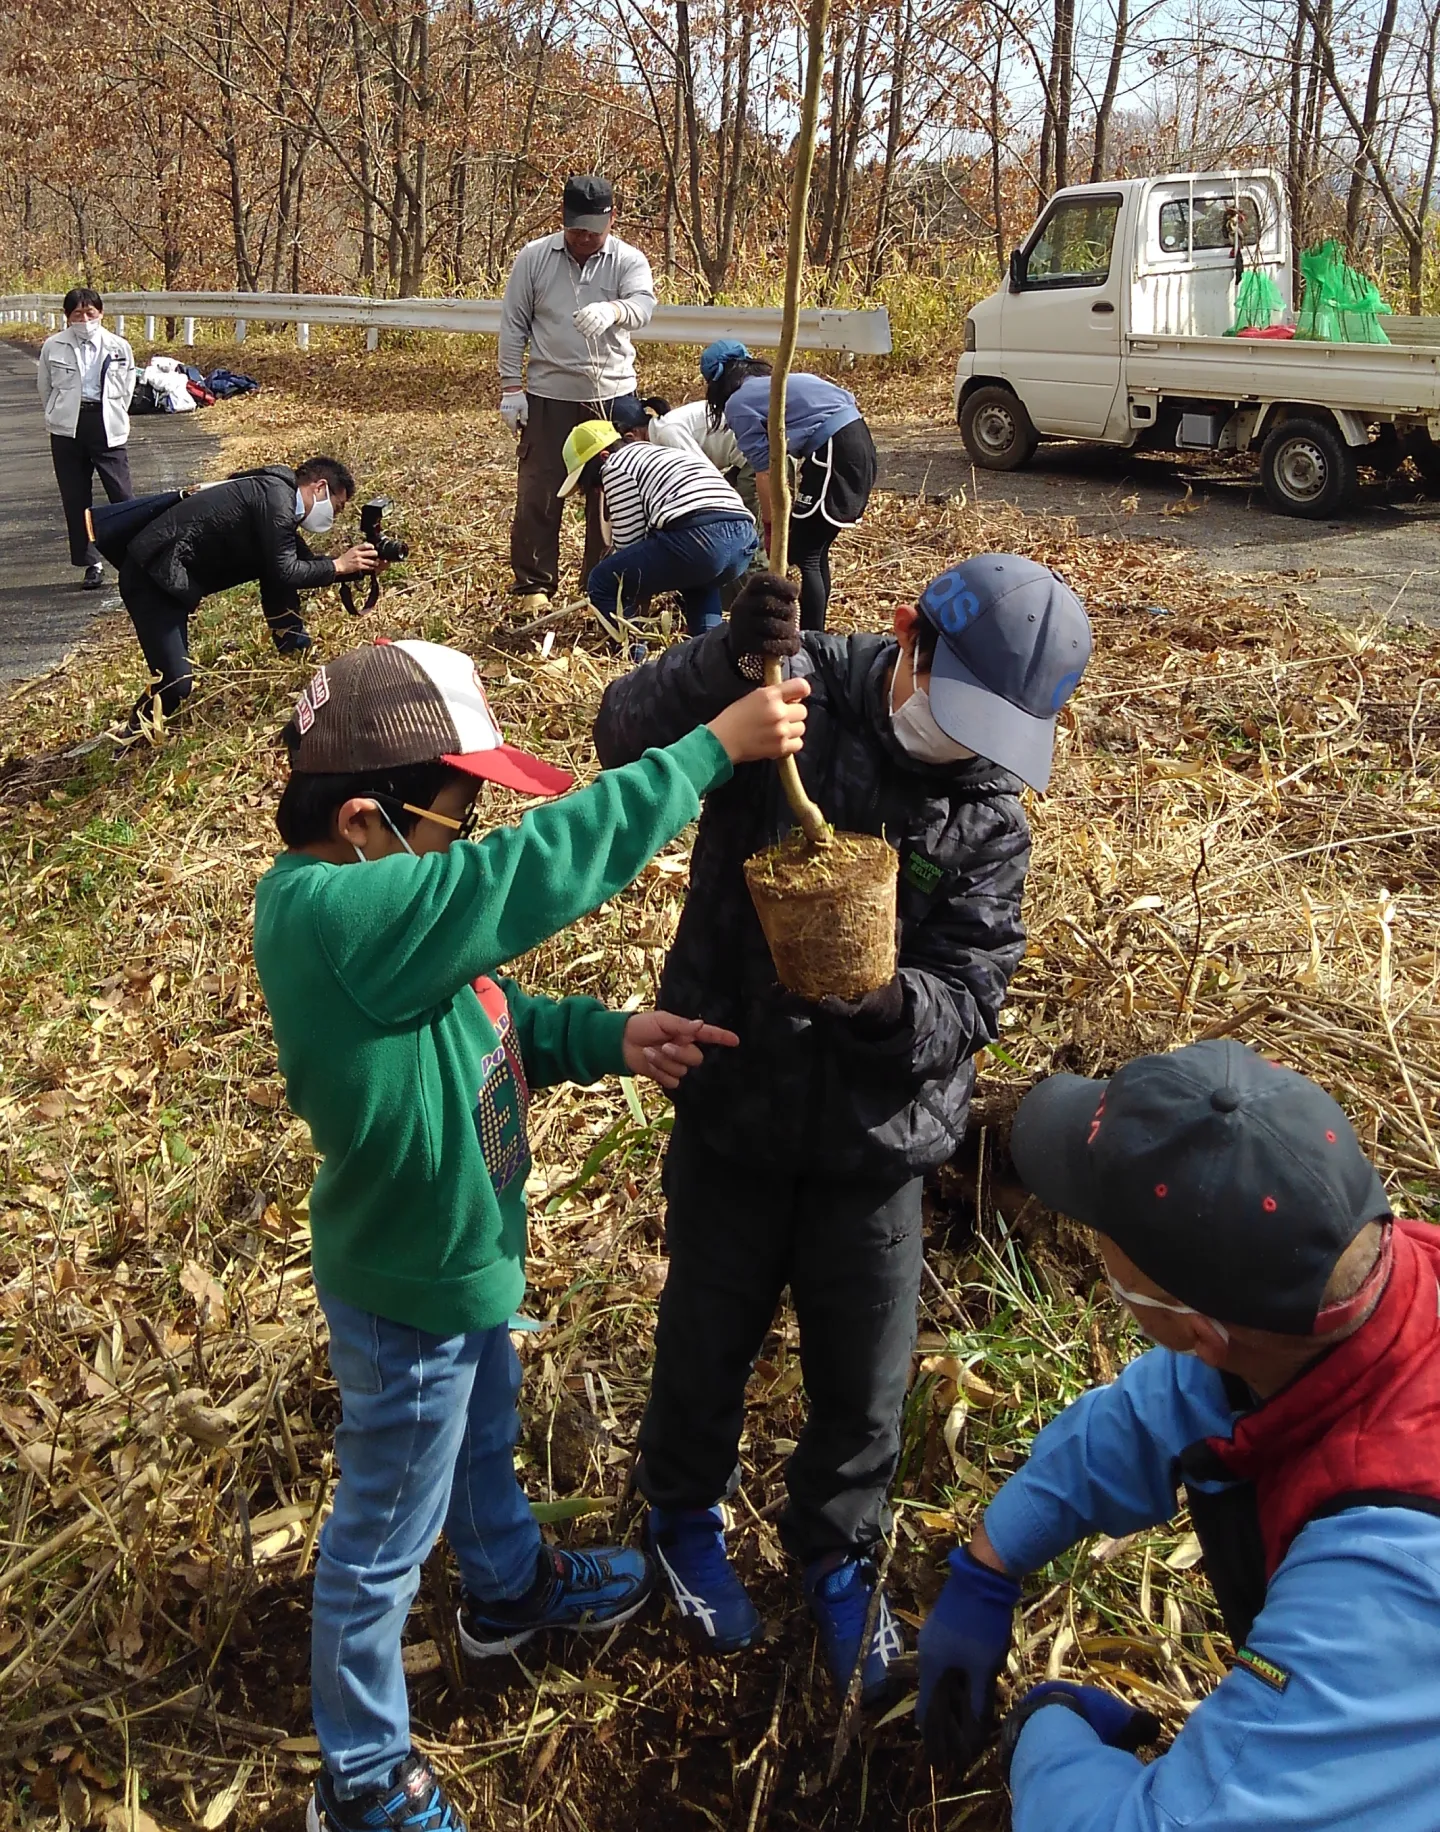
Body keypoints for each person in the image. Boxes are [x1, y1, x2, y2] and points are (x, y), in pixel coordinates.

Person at [252, 634, 808, 1832]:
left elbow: (486, 1014)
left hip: (462, 1275)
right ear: (364, 818)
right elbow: (530, 876)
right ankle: (361, 1777)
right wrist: (706, 751)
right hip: (411, 1291)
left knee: (477, 1442)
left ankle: (506, 1591)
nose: (471, 838)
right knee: (376, 1543)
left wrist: (608, 1036)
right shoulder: (334, 915)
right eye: (459, 814)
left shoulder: (384, 926)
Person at [592, 557, 1091, 1704]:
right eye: (954, 709)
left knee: (864, 1380)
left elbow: (974, 982)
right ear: (911, 640)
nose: (961, 745)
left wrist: (893, 1009)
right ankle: (680, 1513)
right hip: (736, 1096)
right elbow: (622, 734)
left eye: (995, 733)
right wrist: (726, 660)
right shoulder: (794, 688)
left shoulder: (989, 816)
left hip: (881, 1141)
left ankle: (837, 1554)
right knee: (706, 1330)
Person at [914, 1038, 1440, 1832]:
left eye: (1099, 1224)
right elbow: (1161, 1410)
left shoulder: (1379, 1584)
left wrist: (1046, 1738)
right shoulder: (1328, 1310)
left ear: (1196, 1328)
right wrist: (992, 1562)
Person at [118, 456, 379, 733]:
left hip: (164, 576)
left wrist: (360, 567)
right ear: (320, 487)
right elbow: (288, 571)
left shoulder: (276, 497)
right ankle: (132, 735)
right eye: (336, 507)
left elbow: (304, 565)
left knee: (276, 572)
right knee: (176, 682)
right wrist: (339, 565)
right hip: (151, 579)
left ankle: (294, 650)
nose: (333, 516)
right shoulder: (276, 500)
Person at [499, 175, 656, 614]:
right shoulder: (534, 259)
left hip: (612, 394)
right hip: (549, 394)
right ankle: (533, 584)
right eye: (576, 228)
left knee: (611, 493)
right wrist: (512, 388)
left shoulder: (628, 260)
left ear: (611, 219)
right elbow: (514, 324)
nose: (584, 237)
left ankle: (602, 584)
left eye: (593, 229)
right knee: (539, 491)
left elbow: (643, 307)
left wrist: (614, 310)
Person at [700, 339, 877, 631]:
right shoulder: (775, 384)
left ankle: (811, 637)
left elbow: (766, 470)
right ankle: (811, 633)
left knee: (806, 551)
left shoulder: (739, 402)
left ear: (717, 381)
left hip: (836, 450)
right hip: (856, 443)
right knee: (811, 549)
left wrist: (770, 529)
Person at [559, 418, 758, 637]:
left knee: (603, 579)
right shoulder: (657, 454)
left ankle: (632, 653)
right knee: (699, 585)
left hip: (700, 536)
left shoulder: (615, 465)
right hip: (742, 537)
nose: (597, 490)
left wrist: (613, 567)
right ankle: (710, 652)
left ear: (603, 456)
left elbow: (628, 544)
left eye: (593, 483)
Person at [37, 287, 136, 591]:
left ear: (101, 313)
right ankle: (90, 563)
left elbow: (128, 385)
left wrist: (114, 412)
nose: (84, 319)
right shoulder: (53, 347)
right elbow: (46, 387)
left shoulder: (118, 346)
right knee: (76, 498)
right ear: (67, 317)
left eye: (90, 312)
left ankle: (134, 558)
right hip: (68, 428)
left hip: (106, 425)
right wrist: (59, 414)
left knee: (122, 495)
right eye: (77, 313)